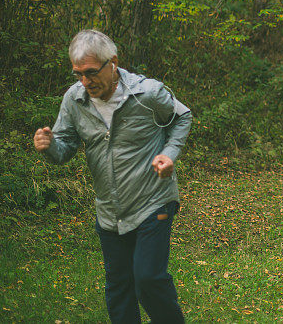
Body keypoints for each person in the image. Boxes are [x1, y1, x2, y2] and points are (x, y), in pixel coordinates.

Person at [33, 30, 192, 323]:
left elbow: (182, 117)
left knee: (148, 278)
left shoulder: (148, 93)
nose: (85, 81)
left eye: (91, 72)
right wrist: (51, 145)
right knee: (119, 288)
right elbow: (65, 147)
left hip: (153, 200)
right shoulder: (74, 99)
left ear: (113, 63)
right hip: (109, 211)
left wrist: (169, 154)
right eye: (78, 73)